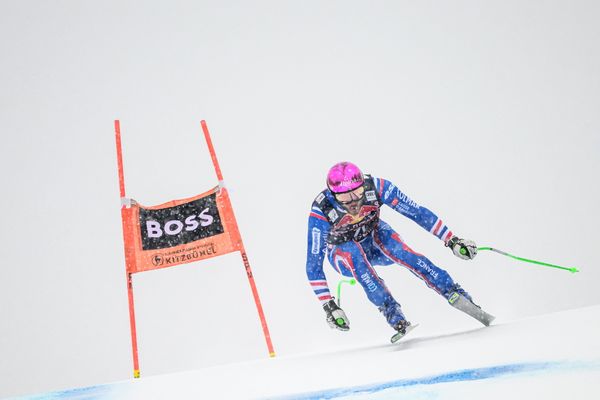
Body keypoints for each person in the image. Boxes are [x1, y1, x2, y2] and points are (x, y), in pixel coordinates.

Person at [306, 161, 487, 341]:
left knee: (400, 251)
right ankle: (392, 313)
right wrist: (329, 306)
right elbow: (313, 265)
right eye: (345, 197)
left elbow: (417, 213)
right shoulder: (322, 209)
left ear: (363, 185)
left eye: (357, 192)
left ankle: (453, 291)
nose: (353, 201)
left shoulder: (377, 187)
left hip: (374, 240)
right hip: (342, 254)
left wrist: (451, 240)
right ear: (332, 194)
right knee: (354, 255)